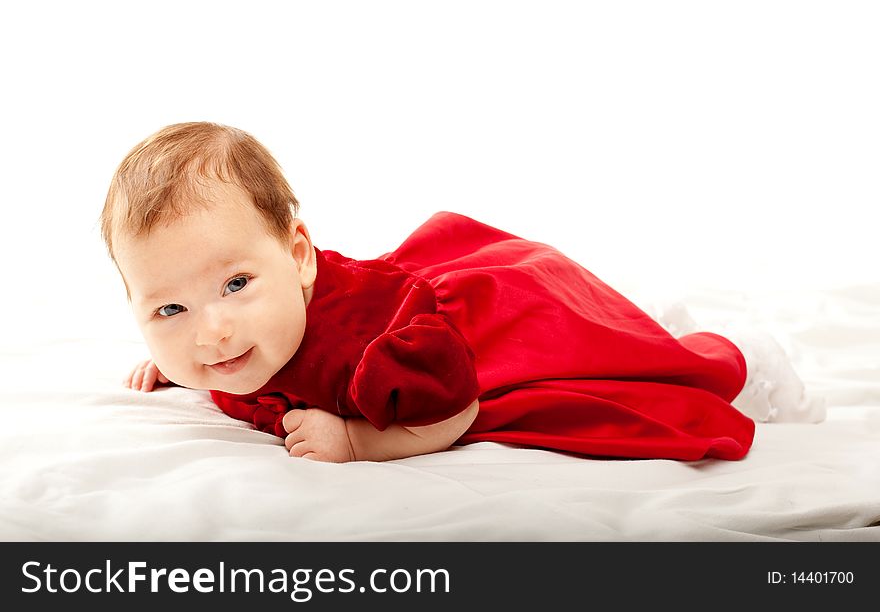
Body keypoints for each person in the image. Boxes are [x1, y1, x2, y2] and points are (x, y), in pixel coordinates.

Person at [101, 122, 810, 464]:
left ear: (298, 259)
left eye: (236, 284)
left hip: (479, 327)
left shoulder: (364, 352)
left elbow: (456, 406)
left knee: (601, 355)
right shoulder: (217, 338)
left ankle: (731, 354)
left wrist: (356, 439)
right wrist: (173, 362)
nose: (213, 332)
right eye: (169, 309)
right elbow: (204, 335)